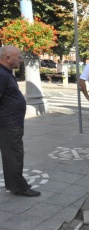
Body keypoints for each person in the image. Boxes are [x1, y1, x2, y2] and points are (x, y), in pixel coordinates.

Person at [0, 45, 40, 196]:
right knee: (15, 156)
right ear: (8, 58)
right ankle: (20, 187)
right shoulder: (2, 75)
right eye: (18, 57)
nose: (21, 60)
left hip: (10, 124)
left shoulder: (6, 73)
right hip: (8, 125)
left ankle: (13, 185)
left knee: (11, 156)